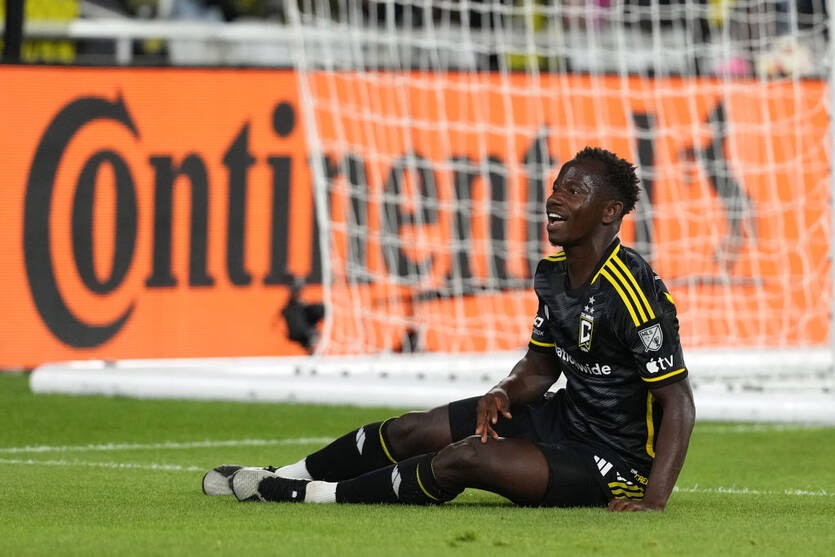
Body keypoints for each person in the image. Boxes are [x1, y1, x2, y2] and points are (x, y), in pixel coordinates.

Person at [202, 146, 696, 511]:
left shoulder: (632, 291)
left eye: (573, 191)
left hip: (614, 461)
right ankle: (282, 474)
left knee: (465, 459)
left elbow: (678, 402)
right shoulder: (552, 273)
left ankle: (311, 495)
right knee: (412, 429)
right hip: (562, 418)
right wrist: (503, 391)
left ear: (610, 212)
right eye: (555, 187)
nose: (554, 198)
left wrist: (653, 501)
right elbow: (540, 366)